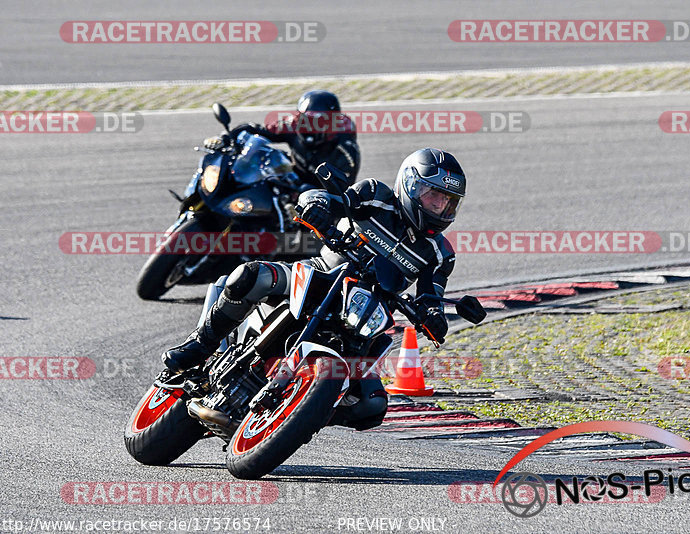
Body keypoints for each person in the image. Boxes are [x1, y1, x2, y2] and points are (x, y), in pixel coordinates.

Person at [162, 147, 466, 428]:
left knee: (371, 407)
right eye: (434, 197)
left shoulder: (440, 253)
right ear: (411, 185)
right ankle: (200, 344)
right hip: (322, 274)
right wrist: (316, 205)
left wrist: (433, 317)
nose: (441, 208)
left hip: (368, 310)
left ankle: (301, 413)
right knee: (250, 275)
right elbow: (330, 199)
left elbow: (431, 296)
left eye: (449, 202)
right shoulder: (376, 195)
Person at [203, 90, 360, 188]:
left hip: (322, 194)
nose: (309, 125)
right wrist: (226, 137)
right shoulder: (293, 125)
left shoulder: (344, 144)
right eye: (305, 119)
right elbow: (259, 130)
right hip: (293, 178)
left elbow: (343, 188)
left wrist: (312, 194)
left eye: (317, 121)